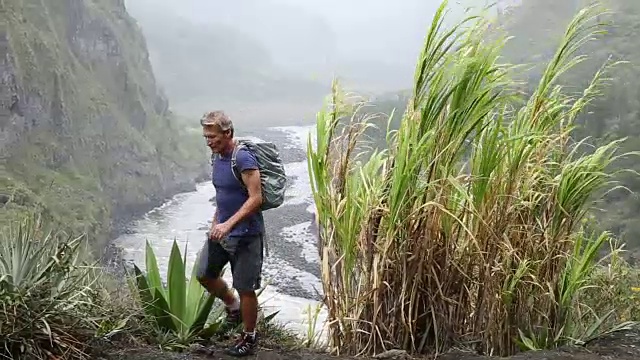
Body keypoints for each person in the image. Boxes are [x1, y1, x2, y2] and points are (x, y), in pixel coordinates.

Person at [196, 110, 265, 357]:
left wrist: (228, 225)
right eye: (206, 136)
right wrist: (217, 222)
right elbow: (223, 195)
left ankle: (249, 336)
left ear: (228, 133)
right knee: (204, 274)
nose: (209, 141)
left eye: (213, 136)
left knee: (246, 286)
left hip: (246, 234)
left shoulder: (243, 158)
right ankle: (232, 308)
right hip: (222, 230)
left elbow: (256, 198)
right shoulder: (217, 158)